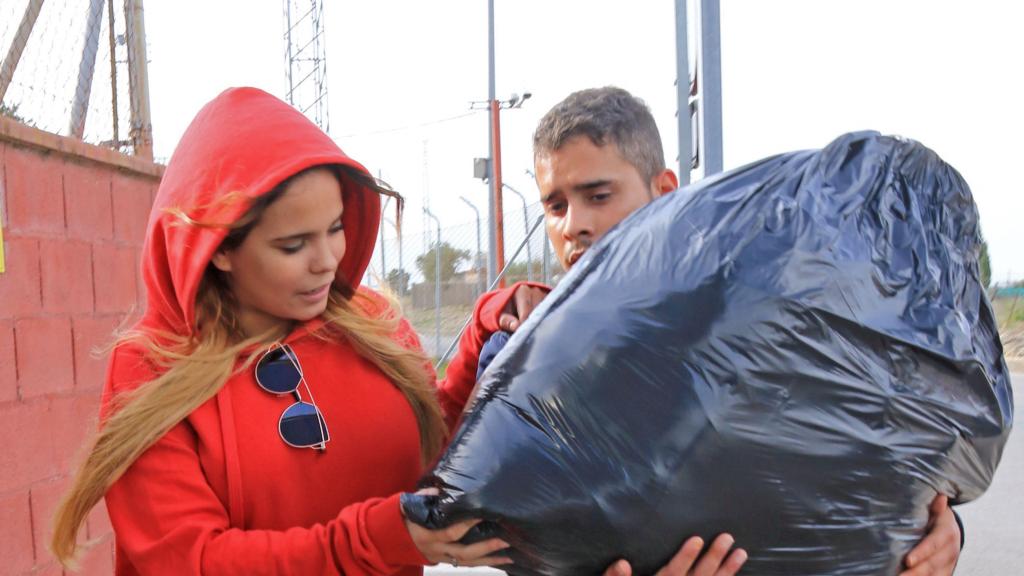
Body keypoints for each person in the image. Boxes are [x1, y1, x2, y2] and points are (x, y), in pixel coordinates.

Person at [48, 86, 740, 576]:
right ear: (219, 249)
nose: (328, 261)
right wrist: (381, 540)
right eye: (294, 245)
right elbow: (188, 562)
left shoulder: (368, 323)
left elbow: (428, 455)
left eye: (338, 229)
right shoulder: (154, 369)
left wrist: (480, 340)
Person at [480, 86, 964, 576]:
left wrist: (939, 530)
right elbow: (520, 541)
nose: (574, 225)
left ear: (665, 192)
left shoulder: (752, 318)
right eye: (555, 206)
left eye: (598, 196)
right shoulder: (520, 364)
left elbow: (874, 452)